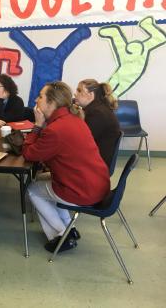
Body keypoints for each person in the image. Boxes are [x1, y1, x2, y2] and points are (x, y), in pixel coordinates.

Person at [22, 81, 110, 252]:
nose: (36, 100)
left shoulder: (55, 129)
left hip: (82, 190)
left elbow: (29, 154)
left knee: (32, 190)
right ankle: (70, 228)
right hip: (97, 184)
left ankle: (61, 235)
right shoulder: (73, 119)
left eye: (40, 96)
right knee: (42, 181)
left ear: (51, 103)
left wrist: (37, 126)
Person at [74, 79, 120, 169]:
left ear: (91, 95)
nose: (75, 94)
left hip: (95, 166)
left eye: (79, 91)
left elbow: (80, 142)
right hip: (94, 161)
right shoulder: (96, 109)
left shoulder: (97, 114)